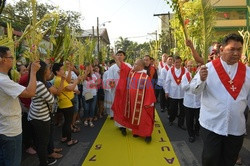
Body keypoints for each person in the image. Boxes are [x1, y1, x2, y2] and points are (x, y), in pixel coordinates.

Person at [190, 34, 250, 166]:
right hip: (212, 126)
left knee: (229, 160)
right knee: (210, 159)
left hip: (236, 127)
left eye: (239, 49)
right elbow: (194, 91)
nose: (236, 53)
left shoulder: (247, 72)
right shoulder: (207, 68)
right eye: (232, 49)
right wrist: (201, 79)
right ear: (221, 49)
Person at [0, 46, 40, 166]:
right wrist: (33, 72)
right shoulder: (3, 80)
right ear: (2, 59)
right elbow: (30, 93)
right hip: (10, 130)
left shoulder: (5, 79)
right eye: (11, 57)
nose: (13, 60)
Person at [111, 54, 156, 143]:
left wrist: (149, 103)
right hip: (132, 102)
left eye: (135, 64)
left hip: (143, 104)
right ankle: (136, 132)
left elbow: (150, 91)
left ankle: (147, 135)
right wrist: (116, 59)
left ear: (140, 66)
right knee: (134, 118)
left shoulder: (145, 77)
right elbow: (122, 66)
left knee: (145, 119)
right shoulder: (131, 72)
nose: (133, 65)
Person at [28, 60, 56, 166]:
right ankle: (43, 162)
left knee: (41, 142)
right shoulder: (40, 84)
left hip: (37, 115)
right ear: (43, 71)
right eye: (48, 69)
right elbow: (51, 100)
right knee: (42, 143)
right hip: (41, 118)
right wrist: (51, 92)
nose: (50, 71)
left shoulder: (38, 82)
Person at [52, 63, 81, 146]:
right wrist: (76, 81)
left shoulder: (59, 78)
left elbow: (67, 81)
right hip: (66, 103)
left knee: (66, 122)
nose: (63, 70)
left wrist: (70, 70)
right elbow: (70, 88)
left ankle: (64, 137)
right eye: (62, 69)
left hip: (63, 102)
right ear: (57, 72)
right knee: (68, 122)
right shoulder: (58, 79)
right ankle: (69, 140)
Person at [107, 50, 132, 135]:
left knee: (125, 107)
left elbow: (132, 76)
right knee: (118, 107)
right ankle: (120, 125)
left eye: (121, 55)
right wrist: (112, 84)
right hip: (117, 91)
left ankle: (126, 123)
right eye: (118, 55)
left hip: (126, 90)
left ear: (124, 56)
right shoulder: (112, 67)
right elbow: (110, 78)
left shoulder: (128, 65)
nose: (119, 56)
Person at [164, 56, 187, 129]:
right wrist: (166, 91)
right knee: (172, 109)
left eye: (179, 62)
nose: (178, 64)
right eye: (176, 62)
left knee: (182, 110)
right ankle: (171, 119)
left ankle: (181, 123)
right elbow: (167, 82)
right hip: (173, 93)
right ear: (174, 63)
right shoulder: (170, 71)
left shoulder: (185, 70)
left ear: (181, 62)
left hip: (182, 93)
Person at [181, 60, 201, 143]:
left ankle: (196, 130)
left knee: (198, 119)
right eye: (188, 66)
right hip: (188, 102)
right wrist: (190, 82)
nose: (190, 67)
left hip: (198, 102)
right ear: (186, 66)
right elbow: (184, 88)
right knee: (189, 120)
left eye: (192, 66)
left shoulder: (199, 75)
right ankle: (191, 135)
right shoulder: (184, 76)